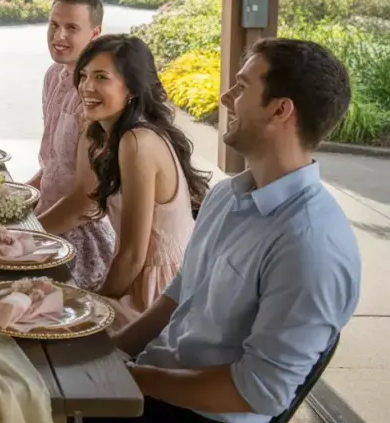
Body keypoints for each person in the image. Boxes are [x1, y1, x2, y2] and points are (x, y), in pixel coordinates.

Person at [105, 38, 361, 423]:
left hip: (199, 412)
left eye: (241, 87)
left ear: (280, 110)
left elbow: (259, 391)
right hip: (153, 379)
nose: (226, 97)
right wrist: (113, 354)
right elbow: (179, 292)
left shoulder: (310, 243)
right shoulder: (227, 194)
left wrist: (130, 379)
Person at [72, 34, 209, 330]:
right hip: (150, 280)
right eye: (83, 76)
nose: (86, 87)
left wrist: (91, 307)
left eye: (101, 77)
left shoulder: (137, 142)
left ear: (132, 88)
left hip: (158, 293)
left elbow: (133, 256)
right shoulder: (119, 134)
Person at [30, 0, 116, 290]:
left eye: (71, 28)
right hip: (45, 219)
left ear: (95, 34)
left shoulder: (95, 96)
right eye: (54, 24)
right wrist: (12, 200)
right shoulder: (53, 76)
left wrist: (27, 233)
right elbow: (54, 165)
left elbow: (86, 203)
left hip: (79, 240)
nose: (59, 36)